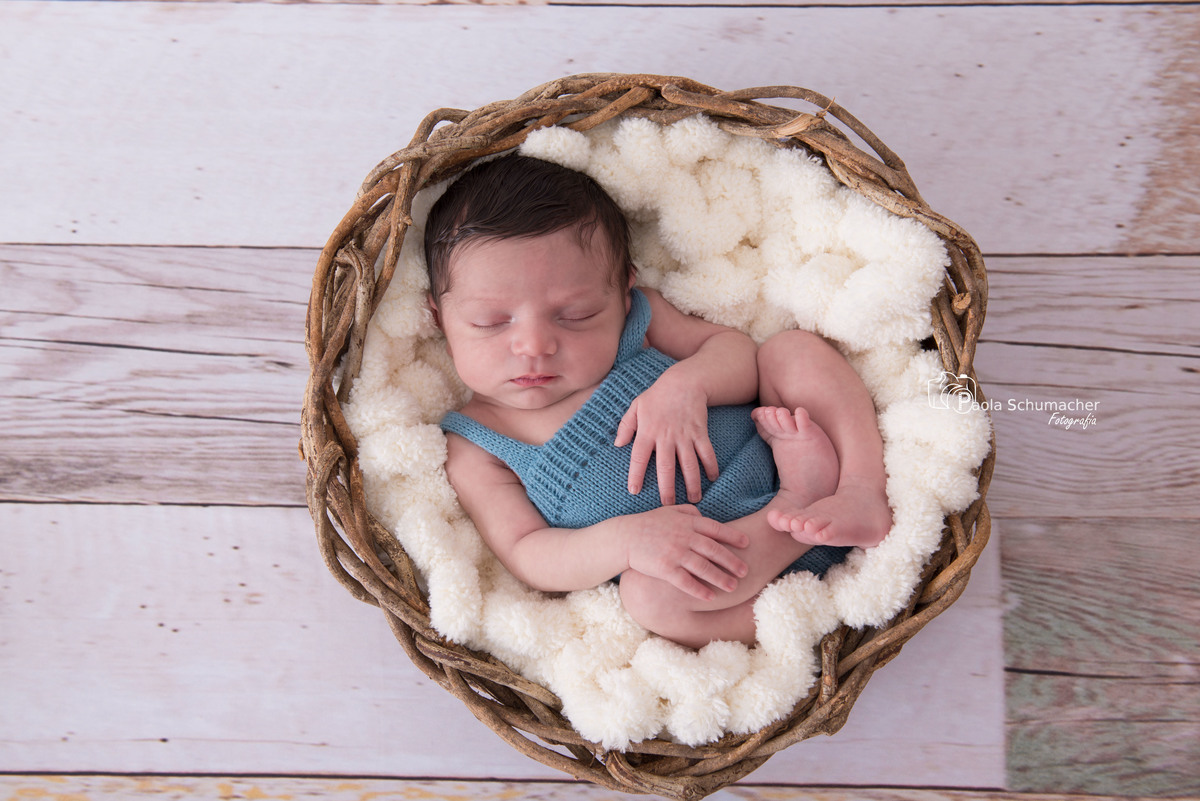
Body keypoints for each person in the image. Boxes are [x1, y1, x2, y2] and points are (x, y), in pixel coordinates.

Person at [426, 155, 892, 649]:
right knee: (647, 598)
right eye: (491, 322)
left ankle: (862, 489)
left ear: (624, 293)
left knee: (790, 352)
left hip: (787, 449)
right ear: (439, 320)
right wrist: (628, 542)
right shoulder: (478, 443)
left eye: (577, 314)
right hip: (721, 579)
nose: (534, 344)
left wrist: (686, 385)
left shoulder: (641, 326)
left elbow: (739, 355)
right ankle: (816, 595)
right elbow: (528, 553)